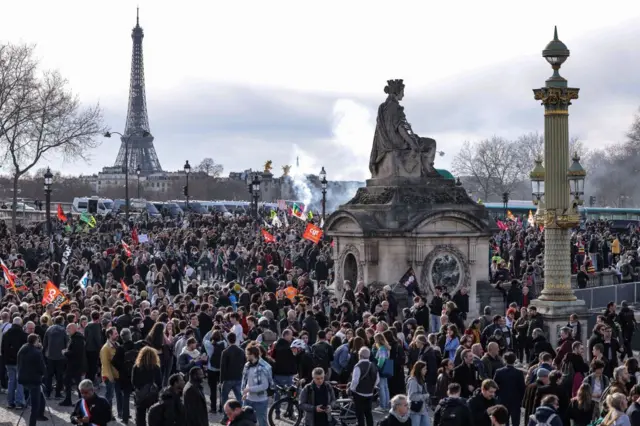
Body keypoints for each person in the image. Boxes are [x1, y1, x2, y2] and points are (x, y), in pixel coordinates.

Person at [17, 333, 48, 426]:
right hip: (34, 380)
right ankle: (32, 423)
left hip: (23, 378)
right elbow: (42, 368)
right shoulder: (36, 352)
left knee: (42, 394)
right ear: (36, 341)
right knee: (35, 406)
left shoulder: (22, 349)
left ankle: (40, 414)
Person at [241, 344, 273, 426]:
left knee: (262, 423)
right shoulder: (247, 365)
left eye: (247, 354)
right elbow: (246, 381)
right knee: (245, 422)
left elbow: (264, 386)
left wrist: (249, 389)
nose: (246, 356)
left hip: (260, 401)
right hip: (248, 399)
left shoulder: (262, 368)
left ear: (252, 355)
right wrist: (244, 393)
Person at [132, 346, 163, 426]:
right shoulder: (156, 367)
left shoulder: (136, 367)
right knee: (153, 416)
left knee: (140, 417)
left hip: (140, 395)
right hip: (153, 395)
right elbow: (159, 383)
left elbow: (133, 382)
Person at [111, 327, 137, 423]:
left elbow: (113, 361)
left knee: (126, 396)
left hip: (124, 375)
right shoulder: (135, 346)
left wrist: (121, 368)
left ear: (122, 338)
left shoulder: (120, 348)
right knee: (137, 396)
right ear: (130, 336)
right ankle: (138, 417)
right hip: (135, 373)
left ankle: (125, 417)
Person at [494, 352, 525, 426]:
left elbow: (495, 386)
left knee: (504, 421)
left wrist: (497, 396)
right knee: (516, 421)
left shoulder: (499, 372)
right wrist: (520, 399)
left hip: (503, 400)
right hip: (515, 400)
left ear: (505, 360)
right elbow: (522, 388)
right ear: (514, 360)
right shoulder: (519, 373)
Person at [220, 332, 246, 423]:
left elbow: (223, 367)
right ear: (235, 339)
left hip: (228, 378)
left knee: (224, 397)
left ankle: (225, 416)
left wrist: (221, 380)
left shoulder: (225, 352)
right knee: (239, 398)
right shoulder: (241, 351)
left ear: (228, 340)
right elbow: (244, 364)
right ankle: (241, 415)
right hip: (238, 377)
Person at [350, 346, 380, 426]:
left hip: (359, 393)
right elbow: (377, 380)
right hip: (370, 393)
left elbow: (355, 381)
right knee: (368, 413)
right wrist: (372, 386)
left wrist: (352, 389)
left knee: (360, 414)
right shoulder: (373, 365)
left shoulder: (358, 366)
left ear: (360, 355)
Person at [2, 316, 26, 409]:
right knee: (19, 382)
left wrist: (5, 360)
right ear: (20, 323)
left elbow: (3, 348)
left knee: (11, 381)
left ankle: (10, 402)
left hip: (8, 361)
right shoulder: (23, 334)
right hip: (19, 361)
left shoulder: (6, 333)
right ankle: (19, 402)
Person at [60, 322, 87, 407]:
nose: (67, 330)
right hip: (73, 364)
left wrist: (65, 352)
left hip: (75, 364)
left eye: (69, 328)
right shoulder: (74, 337)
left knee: (76, 383)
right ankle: (71, 400)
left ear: (74, 329)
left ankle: (80, 401)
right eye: (67, 328)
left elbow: (75, 352)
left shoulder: (77, 339)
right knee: (70, 381)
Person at [407, 361, 430, 426]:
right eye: (424, 369)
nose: (426, 370)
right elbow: (412, 396)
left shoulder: (422, 379)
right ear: (419, 370)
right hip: (415, 410)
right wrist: (425, 396)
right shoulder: (413, 381)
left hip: (423, 409)